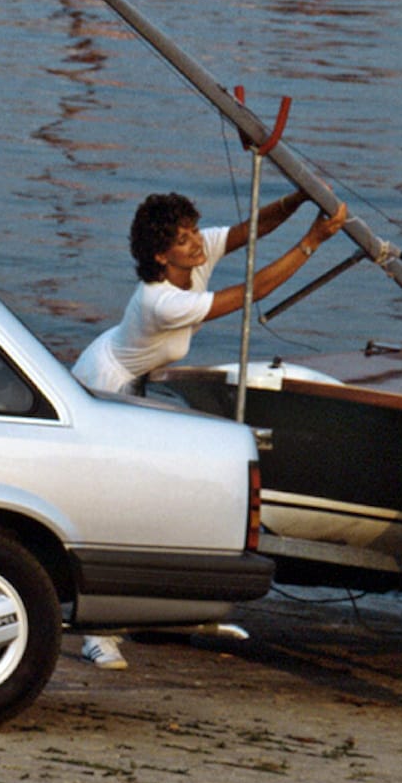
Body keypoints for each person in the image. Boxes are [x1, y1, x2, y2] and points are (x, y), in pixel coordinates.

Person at [72, 189, 349, 669]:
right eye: (183, 240)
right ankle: (97, 633)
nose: (197, 244)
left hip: (136, 383)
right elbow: (251, 293)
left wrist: (298, 198)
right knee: (122, 511)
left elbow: (251, 230)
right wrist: (313, 241)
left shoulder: (194, 259)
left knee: (166, 501)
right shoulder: (160, 301)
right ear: (161, 255)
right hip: (107, 387)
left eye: (195, 231)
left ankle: (176, 612)